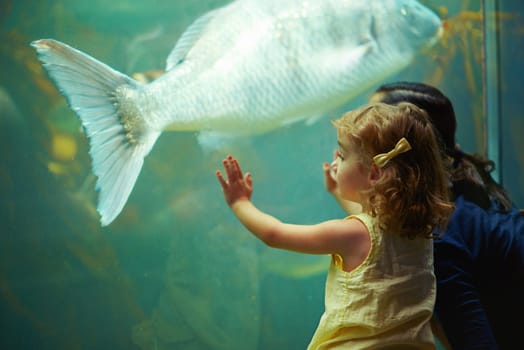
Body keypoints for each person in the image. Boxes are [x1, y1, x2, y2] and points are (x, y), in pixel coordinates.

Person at [216, 102, 454, 349]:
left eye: (342, 154)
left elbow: (274, 234)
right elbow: (375, 227)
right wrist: (337, 192)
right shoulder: (415, 229)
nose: (336, 162)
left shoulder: (352, 234)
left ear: (374, 174)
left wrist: (239, 202)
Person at [325, 81, 524, 349]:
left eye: (373, 121)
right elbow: (382, 233)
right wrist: (341, 192)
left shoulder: (439, 238)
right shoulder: (453, 209)